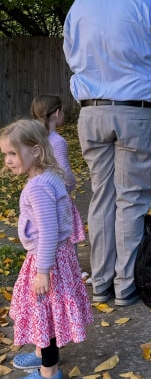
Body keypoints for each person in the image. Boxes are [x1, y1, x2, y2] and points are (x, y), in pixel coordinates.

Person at [63, 0, 151, 307]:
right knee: (131, 200)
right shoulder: (147, 5)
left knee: (101, 196)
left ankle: (100, 282)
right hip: (135, 112)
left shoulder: (81, 5)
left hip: (91, 112)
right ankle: (125, 286)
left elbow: (71, 55)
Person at [0, 119, 93, 379]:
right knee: (46, 311)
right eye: (5, 154)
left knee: (44, 314)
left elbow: (49, 230)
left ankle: (49, 372)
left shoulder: (37, 187)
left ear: (36, 150)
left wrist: (42, 271)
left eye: (13, 153)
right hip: (57, 257)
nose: (8, 160)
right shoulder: (51, 176)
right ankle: (42, 354)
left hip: (47, 260)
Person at [31, 95, 88, 277]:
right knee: (68, 234)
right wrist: (71, 185)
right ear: (57, 113)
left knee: (45, 234)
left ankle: (47, 268)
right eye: (63, 111)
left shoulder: (34, 139)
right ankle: (74, 270)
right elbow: (65, 172)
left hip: (41, 195)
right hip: (58, 195)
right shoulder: (57, 141)